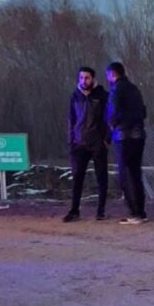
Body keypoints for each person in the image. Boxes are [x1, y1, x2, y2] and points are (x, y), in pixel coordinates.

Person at [64, 66, 110, 222]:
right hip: (79, 143)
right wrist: (71, 140)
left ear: (93, 79)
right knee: (77, 177)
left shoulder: (102, 95)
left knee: (101, 177)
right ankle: (74, 211)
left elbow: (109, 118)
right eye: (81, 78)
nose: (84, 81)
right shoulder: (75, 96)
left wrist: (106, 139)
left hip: (98, 142)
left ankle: (101, 211)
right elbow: (71, 119)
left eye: (87, 78)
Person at [105, 62, 149, 225]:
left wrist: (111, 125)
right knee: (136, 173)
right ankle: (141, 211)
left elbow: (113, 110)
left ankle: (135, 212)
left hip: (123, 135)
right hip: (139, 134)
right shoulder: (134, 89)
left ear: (112, 74)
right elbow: (143, 111)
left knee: (125, 174)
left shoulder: (116, 89)